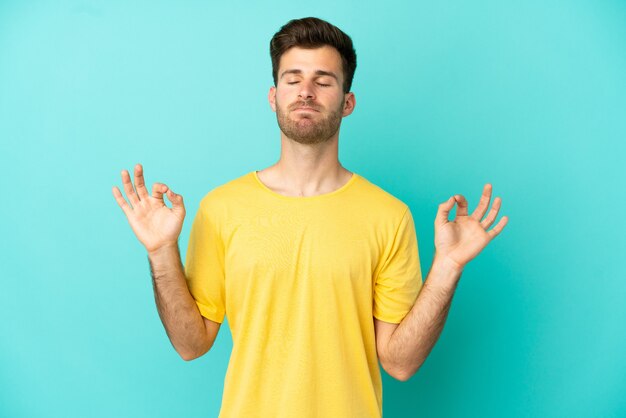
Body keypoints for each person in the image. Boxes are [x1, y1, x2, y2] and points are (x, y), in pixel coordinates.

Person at [112, 17, 508, 418]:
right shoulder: (221, 208)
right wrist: (162, 251)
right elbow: (190, 344)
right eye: (293, 78)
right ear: (273, 95)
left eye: (323, 80)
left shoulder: (389, 216)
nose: (305, 91)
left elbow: (400, 363)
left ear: (347, 102)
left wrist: (448, 266)